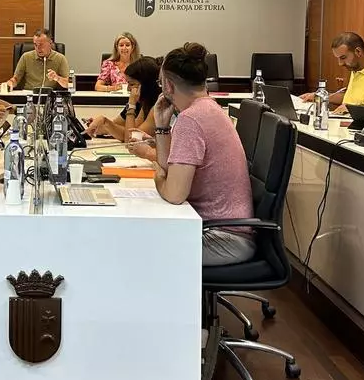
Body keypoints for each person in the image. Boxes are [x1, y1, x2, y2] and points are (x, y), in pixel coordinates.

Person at [152, 43, 254, 266]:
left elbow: (174, 194)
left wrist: (158, 179)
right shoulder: (209, 109)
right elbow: (171, 171)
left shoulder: (191, 120)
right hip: (224, 231)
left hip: (222, 238)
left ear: (168, 85)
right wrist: (161, 127)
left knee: (142, 249)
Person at [301, 32, 364, 113]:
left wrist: (354, 111)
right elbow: (352, 99)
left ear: (358, 52)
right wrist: (320, 96)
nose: (340, 64)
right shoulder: (356, 69)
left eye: (343, 58)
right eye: (338, 59)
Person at [87, 57, 161, 161]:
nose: (128, 89)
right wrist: (105, 122)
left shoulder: (158, 106)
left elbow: (129, 139)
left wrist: (131, 105)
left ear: (146, 84)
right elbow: (129, 131)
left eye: (132, 84)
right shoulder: (146, 103)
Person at [3, 28, 71, 90]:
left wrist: (57, 78)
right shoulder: (26, 57)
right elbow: (15, 79)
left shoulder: (60, 58)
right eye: (35, 44)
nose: (38, 48)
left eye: (41, 45)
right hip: (29, 94)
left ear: (50, 43)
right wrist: (9, 83)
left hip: (49, 96)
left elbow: (68, 84)